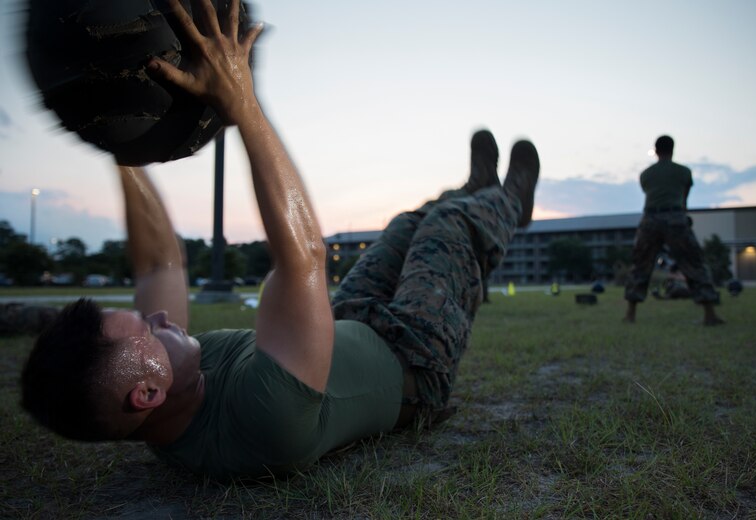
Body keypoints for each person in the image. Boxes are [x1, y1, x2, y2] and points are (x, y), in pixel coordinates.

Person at [20, 0, 540, 479]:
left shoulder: (162, 392)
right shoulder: (266, 421)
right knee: (447, 229)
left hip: (351, 320)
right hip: (415, 356)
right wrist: (242, 102)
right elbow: (303, 260)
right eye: (151, 331)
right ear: (147, 392)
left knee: (407, 224)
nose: (161, 318)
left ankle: (472, 192)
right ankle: (509, 201)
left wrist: (115, 138)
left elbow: (159, 265)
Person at [623, 135, 723, 325]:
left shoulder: (646, 174)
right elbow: (684, 199)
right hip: (675, 218)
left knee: (640, 265)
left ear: (656, 150)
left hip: (650, 218)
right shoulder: (684, 172)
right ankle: (710, 314)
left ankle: (630, 314)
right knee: (693, 263)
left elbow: (649, 193)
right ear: (673, 149)